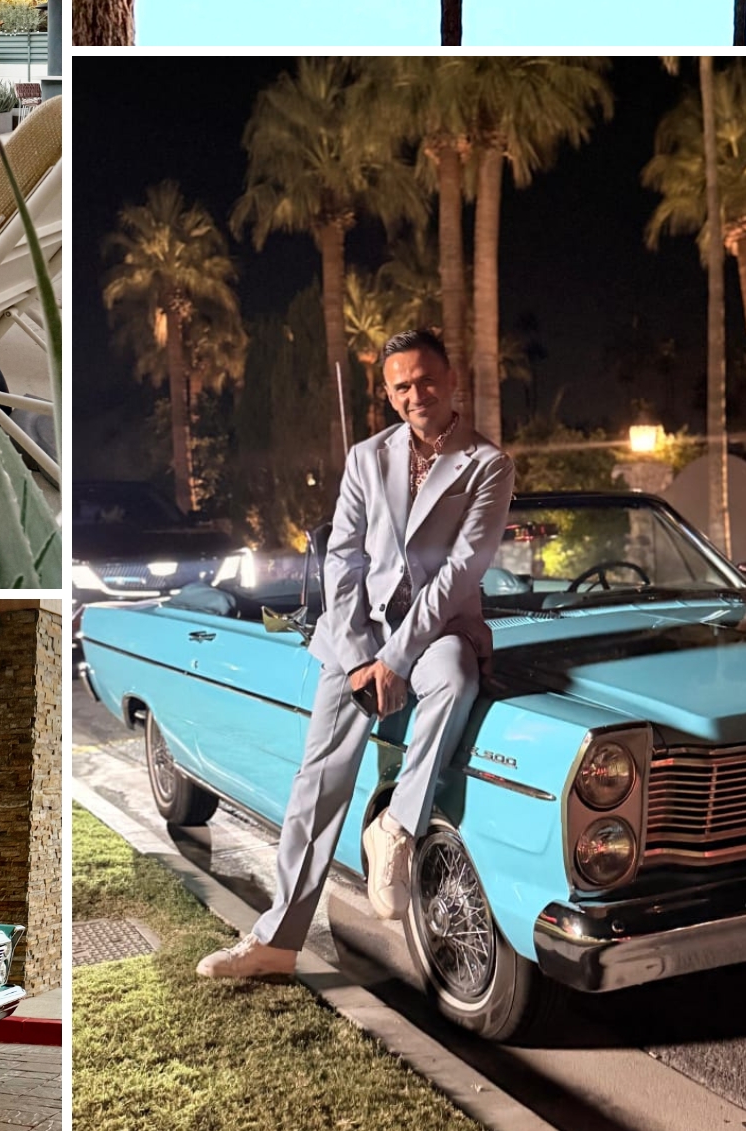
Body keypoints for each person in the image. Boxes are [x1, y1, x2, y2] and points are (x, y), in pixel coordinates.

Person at [197, 328, 515, 980]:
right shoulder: (367, 457)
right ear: (388, 392)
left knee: (455, 675)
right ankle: (276, 942)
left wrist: (398, 657)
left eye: (426, 379)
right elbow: (342, 559)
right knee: (318, 784)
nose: (415, 394)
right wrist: (363, 654)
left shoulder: (487, 465)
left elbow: (459, 572)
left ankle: (396, 827)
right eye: (401, 385)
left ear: (452, 379)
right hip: (357, 637)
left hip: (436, 634)